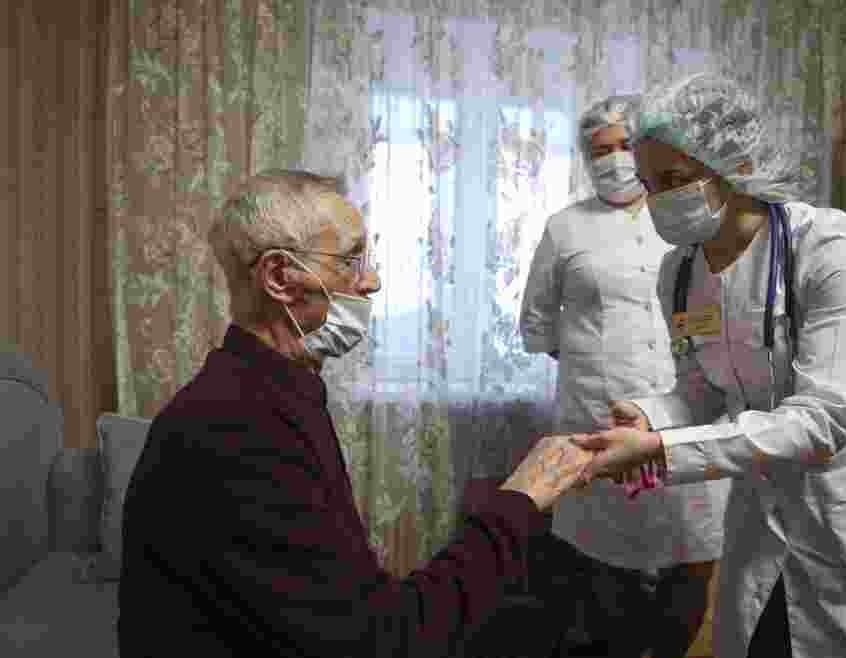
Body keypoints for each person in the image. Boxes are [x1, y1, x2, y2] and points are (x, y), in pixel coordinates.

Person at [117, 170, 595, 658]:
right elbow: (381, 642)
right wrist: (522, 497)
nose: (370, 280)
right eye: (350, 260)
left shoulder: (276, 390)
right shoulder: (233, 427)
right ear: (280, 277)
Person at [571, 73, 846, 658]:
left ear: (733, 164)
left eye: (673, 180)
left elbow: (824, 419)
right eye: (650, 185)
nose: (658, 201)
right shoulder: (681, 274)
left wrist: (665, 452)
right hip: (765, 511)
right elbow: (701, 392)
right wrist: (649, 417)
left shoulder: (824, 246)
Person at [519, 96, 729, 658]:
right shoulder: (566, 228)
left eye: (623, 146)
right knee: (603, 562)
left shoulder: (686, 219)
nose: (613, 160)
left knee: (692, 548)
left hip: (687, 410)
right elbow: (537, 323)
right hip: (599, 410)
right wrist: (593, 362)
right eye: (599, 151)